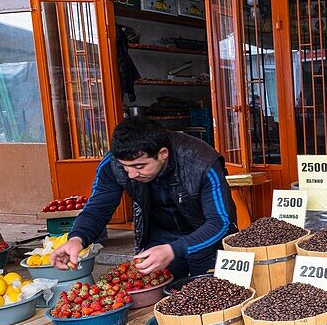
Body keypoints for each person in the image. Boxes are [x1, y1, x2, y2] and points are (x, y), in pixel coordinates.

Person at [50, 116, 236, 278]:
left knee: (211, 295)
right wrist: (77, 238)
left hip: (206, 237)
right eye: (126, 167)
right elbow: (97, 209)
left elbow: (220, 223)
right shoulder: (114, 163)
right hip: (159, 237)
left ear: (163, 154)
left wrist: (174, 250)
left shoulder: (201, 162)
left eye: (140, 167)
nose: (131, 174)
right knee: (160, 299)